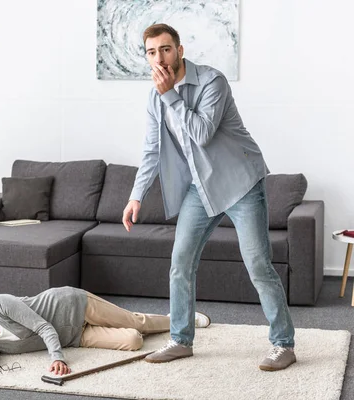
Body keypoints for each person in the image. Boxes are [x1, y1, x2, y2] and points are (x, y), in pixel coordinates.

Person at [122, 23, 296, 372]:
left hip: (240, 183)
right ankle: (180, 340)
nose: (160, 58)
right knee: (180, 262)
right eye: (152, 52)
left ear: (180, 50)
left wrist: (170, 94)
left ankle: (283, 344)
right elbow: (152, 150)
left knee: (259, 266)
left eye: (166, 49)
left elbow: (201, 133)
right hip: (199, 188)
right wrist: (135, 196)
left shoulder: (212, 81)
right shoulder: (155, 96)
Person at [0, 286, 211, 378]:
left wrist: (57, 358)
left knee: (137, 323)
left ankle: (179, 319)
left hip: (75, 306)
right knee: (133, 340)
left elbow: (44, 327)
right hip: (74, 336)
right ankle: (152, 325)